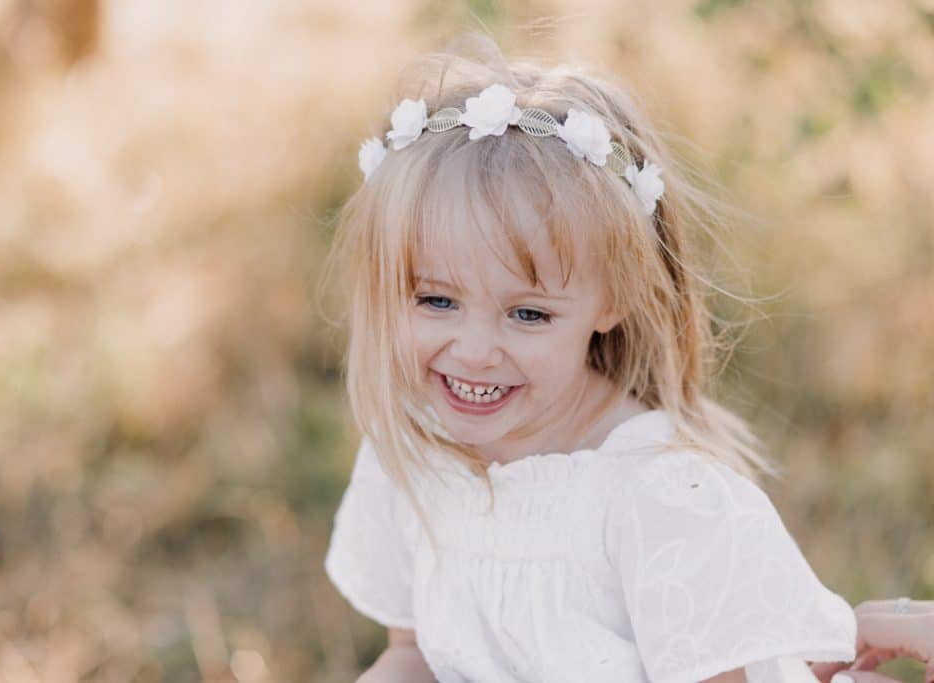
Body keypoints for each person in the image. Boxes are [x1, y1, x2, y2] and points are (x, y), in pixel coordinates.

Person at [318, 32, 903, 682]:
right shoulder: (417, 446)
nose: (476, 351)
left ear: (614, 299)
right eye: (435, 300)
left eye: (529, 313)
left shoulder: (655, 495)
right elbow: (414, 653)